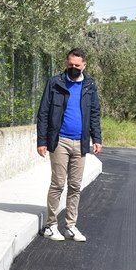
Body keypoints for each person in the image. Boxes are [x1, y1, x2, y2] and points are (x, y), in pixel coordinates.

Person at [36, 47, 102, 242]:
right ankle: (51, 225)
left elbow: (94, 113)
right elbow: (43, 113)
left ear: (84, 65)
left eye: (77, 65)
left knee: (75, 186)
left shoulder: (90, 85)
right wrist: (42, 141)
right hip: (60, 141)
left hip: (80, 142)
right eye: (70, 64)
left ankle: (70, 226)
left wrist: (97, 138)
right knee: (58, 183)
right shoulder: (55, 83)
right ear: (66, 63)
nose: (73, 67)